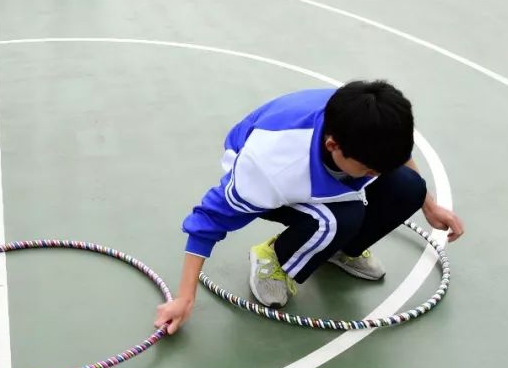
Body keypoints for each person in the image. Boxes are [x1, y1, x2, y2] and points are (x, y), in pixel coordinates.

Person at [153, 81, 465, 331]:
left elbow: (394, 158)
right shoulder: (271, 167)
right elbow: (208, 219)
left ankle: (342, 250)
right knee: (341, 219)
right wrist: (184, 297)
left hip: (324, 171)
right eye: (371, 169)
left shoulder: (374, 125)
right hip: (281, 184)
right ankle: (274, 257)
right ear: (333, 145)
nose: (377, 175)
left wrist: (429, 206)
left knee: (409, 187)